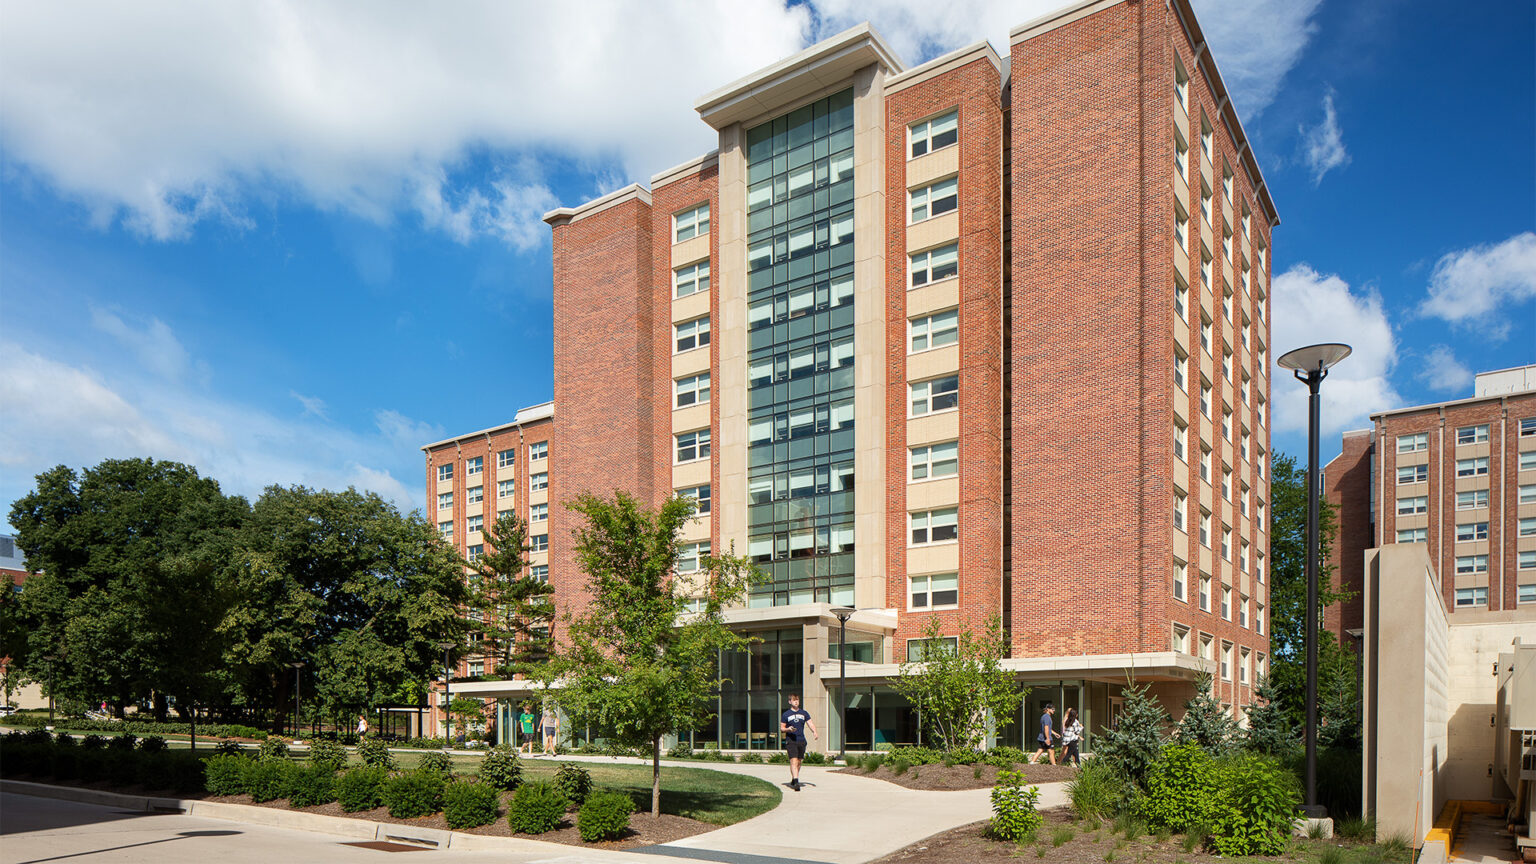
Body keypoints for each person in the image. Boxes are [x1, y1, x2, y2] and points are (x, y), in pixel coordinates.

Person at [778, 693, 818, 791]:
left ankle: (793, 778)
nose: (796, 702)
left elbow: (810, 723)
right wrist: (788, 729)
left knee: (799, 762)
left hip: (801, 740)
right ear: (790, 702)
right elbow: (782, 728)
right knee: (794, 761)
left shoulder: (804, 713)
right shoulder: (786, 714)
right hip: (791, 741)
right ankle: (796, 782)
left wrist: (815, 732)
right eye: (794, 700)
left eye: (797, 700)